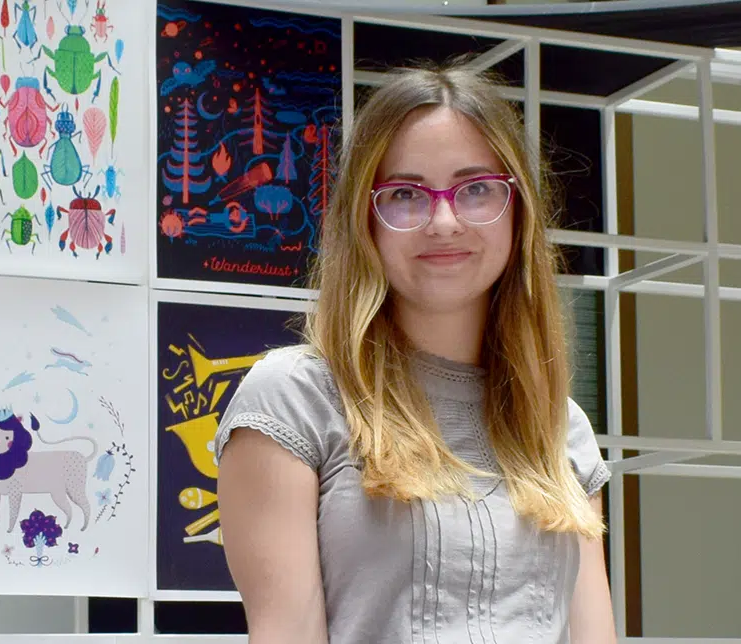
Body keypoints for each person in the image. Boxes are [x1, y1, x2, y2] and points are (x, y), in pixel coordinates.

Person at [215, 63, 616, 644]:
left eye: (476, 189)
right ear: (363, 222)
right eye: (405, 194)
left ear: (519, 212)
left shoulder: (562, 429)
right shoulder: (293, 404)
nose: (444, 221)